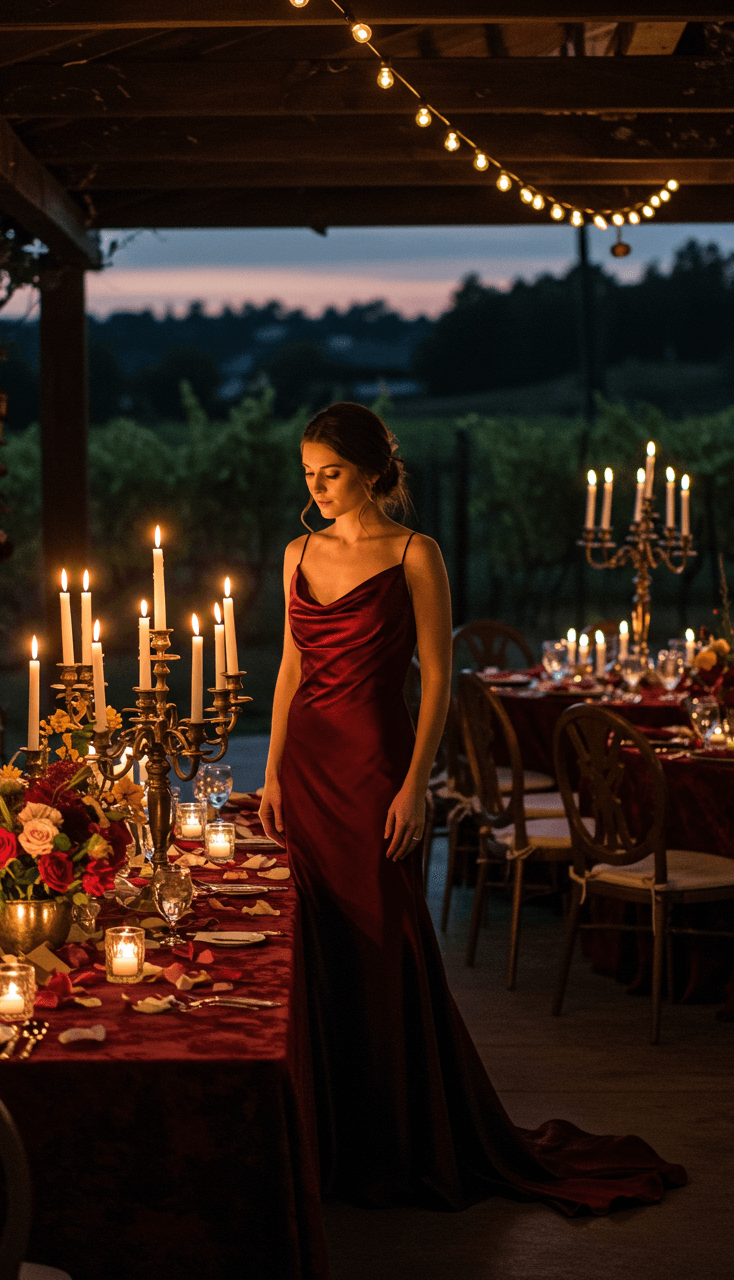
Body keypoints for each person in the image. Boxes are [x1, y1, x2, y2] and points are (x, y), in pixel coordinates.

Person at [260, 401, 685, 1214]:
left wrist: (417, 781)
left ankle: (410, 1136)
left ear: (373, 472)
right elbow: (287, 671)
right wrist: (274, 773)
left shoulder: (418, 554)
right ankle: (337, 1140)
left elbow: (437, 678)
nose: (316, 487)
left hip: (378, 767)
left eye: (332, 473)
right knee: (315, 947)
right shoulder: (297, 553)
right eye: (308, 473)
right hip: (309, 772)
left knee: (388, 941)